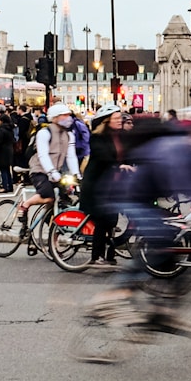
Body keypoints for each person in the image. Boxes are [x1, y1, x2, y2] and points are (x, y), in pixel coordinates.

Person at [83, 114, 191, 334]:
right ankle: (112, 296)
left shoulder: (186, 149)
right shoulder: (174, 146)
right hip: (126, 196)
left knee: (177, 248)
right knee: (162, 239)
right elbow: (184, 181)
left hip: (145, 197)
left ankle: (162, 312)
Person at [81, 104, 132, 266]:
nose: (120, 121)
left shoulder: (118, 136)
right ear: (106, 121)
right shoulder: (97, 137)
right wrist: (119, 166)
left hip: (112, 185)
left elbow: (127, 153)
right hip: (96, 185)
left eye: (120, 118)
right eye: (116, 118)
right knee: (103, 221)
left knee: (112, 220)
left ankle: (110, 255)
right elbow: (103, 156)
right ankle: (96, 257)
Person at [18, 103, 80, 219]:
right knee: (48, 195)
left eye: (69, 115)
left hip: (56, 171)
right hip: (39, 170)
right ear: (55, 118)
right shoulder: (45, 132)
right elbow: (43, 155)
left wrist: (77, 174)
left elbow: (71, 156)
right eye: (64, 115)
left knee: (63, 200)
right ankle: (25, 205)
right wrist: (52, 172)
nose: (68, 118)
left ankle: (51, 230)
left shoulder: (69, 135)